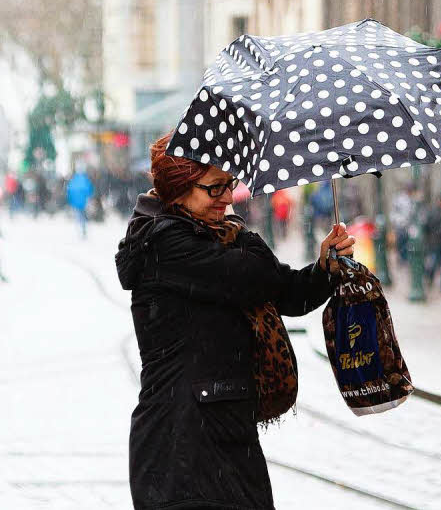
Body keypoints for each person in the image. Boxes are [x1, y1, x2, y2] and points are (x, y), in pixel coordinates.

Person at [116, 133, 352, 509]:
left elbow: (286, 294)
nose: (228, 198)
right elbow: (256, 277)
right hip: (181, 449)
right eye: (215, 189)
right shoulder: (165, 245)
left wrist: (325, 267)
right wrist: (242, 233)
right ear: (179, 189)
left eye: (230, 185)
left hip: (224, 438)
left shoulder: (214, 237)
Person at [66, 169, 94, 238]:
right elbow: (90, 190)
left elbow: (69, 191)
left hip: (75, 202)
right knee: (83, 215)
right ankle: (83, 227)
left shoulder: (73, 181)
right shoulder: (85, 181)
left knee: (78, 215)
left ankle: (80, 228)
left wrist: (70, 201)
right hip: (83, 202)